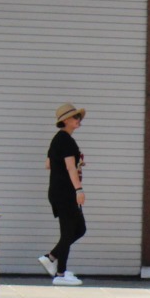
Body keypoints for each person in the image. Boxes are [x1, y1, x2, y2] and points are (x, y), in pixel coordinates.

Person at [39, 103, 88, 286]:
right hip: (65, 192)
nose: (78, 120)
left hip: (58, 191)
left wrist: (76, 164)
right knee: (69, 231)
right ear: (66, 120)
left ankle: (51, 258)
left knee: (77, 229)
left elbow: (49, 164)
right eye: (76, 117)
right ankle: (60, 273)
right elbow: (68, 167)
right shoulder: (66, 141)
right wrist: (78, 189)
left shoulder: (58, 139)